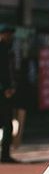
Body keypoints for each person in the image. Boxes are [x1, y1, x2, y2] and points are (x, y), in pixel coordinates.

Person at [0, 25, 17, 164]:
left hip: (6, 91)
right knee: (7, 123)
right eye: (7, 34)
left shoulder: (7, 49)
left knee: (7, 123)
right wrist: (6, 88)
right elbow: (5, 71)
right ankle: (5, 154)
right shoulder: (3, 49)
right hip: (3, 92)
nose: (10, 37)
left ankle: (5, 154)